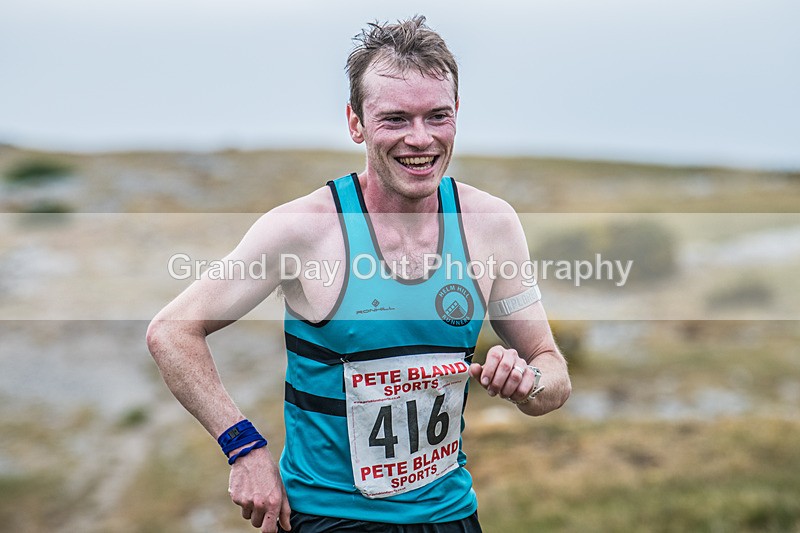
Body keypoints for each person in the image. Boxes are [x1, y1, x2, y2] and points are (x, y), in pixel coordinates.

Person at [147, 15, 570, 533]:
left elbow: (554, 374)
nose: (421, 139)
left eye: (437, 116)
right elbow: (172, 330)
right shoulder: (302, 230)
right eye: (395, 119)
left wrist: (526, 382)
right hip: (330, 519)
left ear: (456, 114)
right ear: (356, 123)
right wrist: (243, 448)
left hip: (451, 516)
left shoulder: (491, 225)